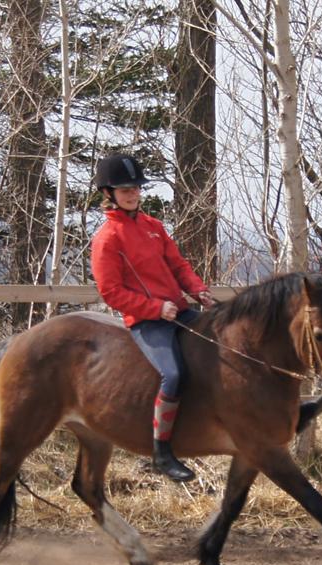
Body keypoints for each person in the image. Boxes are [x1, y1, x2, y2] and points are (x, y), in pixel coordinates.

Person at [90, 153, 215, 483]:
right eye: (125, 190)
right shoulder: (107, 238)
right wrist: (154, 309)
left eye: (136, 188)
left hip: (180, 310)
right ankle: (162, 453)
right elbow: (111, 292)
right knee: (172, 375)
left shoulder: (154, 227)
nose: (133, 194)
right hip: (147, 321)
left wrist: (198, 289)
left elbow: (178, 266)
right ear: (109, 193)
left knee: (220, 345)